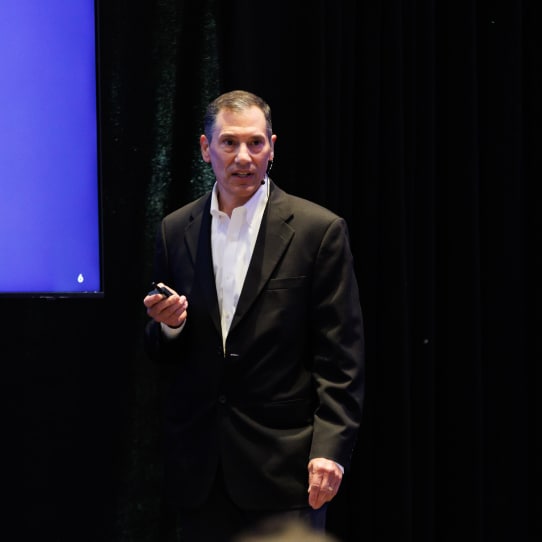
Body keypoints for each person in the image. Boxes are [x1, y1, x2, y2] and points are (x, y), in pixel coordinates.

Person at [143, 89, 365, 542]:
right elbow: (162, 352)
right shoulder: (173, 230)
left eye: (255, 143)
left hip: (284, 470)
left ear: (272, 147)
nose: (243, 157)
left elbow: (341, 357)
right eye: (229, 143)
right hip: (201, 471)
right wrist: (169, 326)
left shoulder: (317, 230)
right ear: (206, 150)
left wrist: (330, 450)